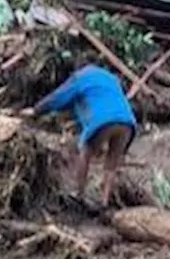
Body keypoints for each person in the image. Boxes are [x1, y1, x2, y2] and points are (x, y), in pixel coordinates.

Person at [24, 63, 138, 207]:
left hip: (103, 120)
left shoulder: (81, 78)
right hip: (127, 121)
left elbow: (59, 97)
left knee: (85, 152)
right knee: (111, 165)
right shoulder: (110, 78)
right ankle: (104, 202)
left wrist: (36, 110)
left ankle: (79, 194)